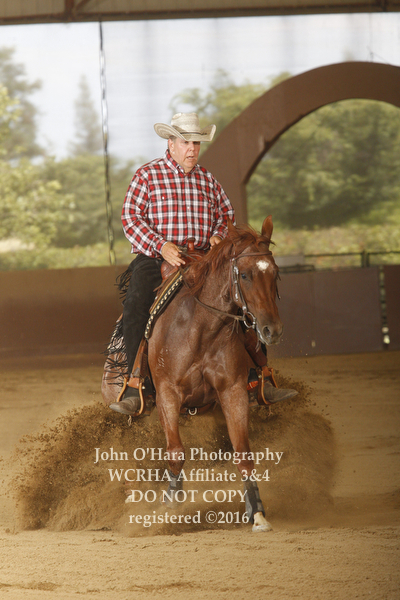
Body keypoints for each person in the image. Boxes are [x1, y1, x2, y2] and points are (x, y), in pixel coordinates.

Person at [110, 112, 297, 416]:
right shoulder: (147, 175)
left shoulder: (207, 179)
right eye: (185, 142)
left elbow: (226, 215)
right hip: (157, 257)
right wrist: (162, 246)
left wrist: (218, 236)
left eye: (196, 143)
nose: (192, 149)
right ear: (171, 144)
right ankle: (137, 385)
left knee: (239, 299)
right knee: (136, 305)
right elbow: (131, 218)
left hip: (203, 257)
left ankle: (258, 378)